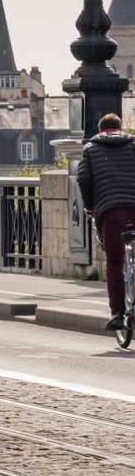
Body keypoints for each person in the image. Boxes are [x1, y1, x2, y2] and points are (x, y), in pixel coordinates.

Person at [77, 113, 135, 331]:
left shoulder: (91, 148)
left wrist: (91, 207)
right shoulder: (133, 144)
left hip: (111, 209)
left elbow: (83, 179)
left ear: (101, 131)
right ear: (121, 128)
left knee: (114, 261)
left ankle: (118, 313)